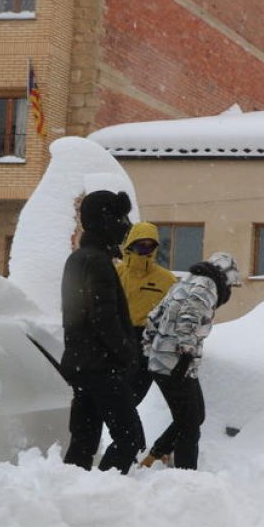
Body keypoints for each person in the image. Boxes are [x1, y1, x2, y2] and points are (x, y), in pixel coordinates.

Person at [60, 190, 145, 474]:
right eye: (121, 218)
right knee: (129, 438)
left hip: (84, 365)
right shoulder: (96, 261)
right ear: (105, 221)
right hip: (101, 367)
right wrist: (127, 354)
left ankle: (74, 490)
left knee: (84, 440)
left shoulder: (80, 258)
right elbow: (103, 318)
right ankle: (105, 489)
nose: (125, 226)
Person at [140, 252, 242, 470]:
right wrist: (184, 355)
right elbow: (190, 317)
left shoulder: (186, 282)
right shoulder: (208, 285)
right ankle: (186, 476)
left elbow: (154, 316)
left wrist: (150, 350)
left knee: (195, 416)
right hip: (176, 364)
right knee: (189, 427)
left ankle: (158, 453)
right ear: (224, 276)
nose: (229, 290)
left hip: (164, 362)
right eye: (231, 285)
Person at [115, 222, 176, 405]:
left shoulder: (166, 279)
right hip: (118, 338)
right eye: (141, 244)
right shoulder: (116, 273)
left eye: (151, 245)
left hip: (147, 342)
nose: (146, 249)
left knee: (133, 398)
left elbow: (174, 312)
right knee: (114, 398)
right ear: (131, 244)